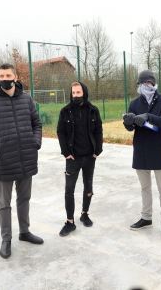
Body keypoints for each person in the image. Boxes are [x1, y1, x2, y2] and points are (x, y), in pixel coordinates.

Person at [0, 63, 43, 259]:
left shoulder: (26, 99)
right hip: (3, 163)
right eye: (1, 75)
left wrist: (35, 143)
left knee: (24, 199)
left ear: (15, 76)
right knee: (4, 204)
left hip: (26, 159)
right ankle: (6, 239)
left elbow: (36, 124)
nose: (5, 78)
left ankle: (25, 232)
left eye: (8, 75)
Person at [123, 70, 161, 238]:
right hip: (141, 150)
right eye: (143, 83)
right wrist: (128, 121)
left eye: (149, 83)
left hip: (158, 149)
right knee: (145, 187)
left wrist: (147, 117)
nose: (146, 86)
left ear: (154, 83)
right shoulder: (135, 103)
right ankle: (146, 218)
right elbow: (130, 128)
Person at [57, 81, 103, 236]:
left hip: (90, 157)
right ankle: (70, 222)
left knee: (88, 186)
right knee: (69, 190)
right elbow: (61, 132)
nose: (75, 95)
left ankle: (85, 214)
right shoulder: (65, 111)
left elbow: (98, 131)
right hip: (72, 158)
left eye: (78, 92)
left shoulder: (93, 110)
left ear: (84, 92)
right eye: (73, 93)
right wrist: (65, 152)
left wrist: (98, 150)